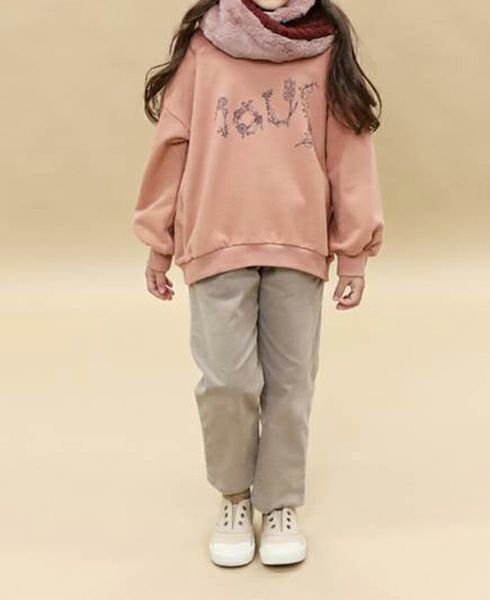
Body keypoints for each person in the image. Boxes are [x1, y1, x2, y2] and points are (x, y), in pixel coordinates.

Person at [132, 0, 384, 568]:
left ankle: (281, 504)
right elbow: (173, 140)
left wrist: (354, 253)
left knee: (291, 382)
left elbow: (350, 152)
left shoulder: (324, 48)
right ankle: (234, 496)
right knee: (227, 381)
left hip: (298, 242)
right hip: (214, 239)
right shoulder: (207, 44)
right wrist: (158, 238)